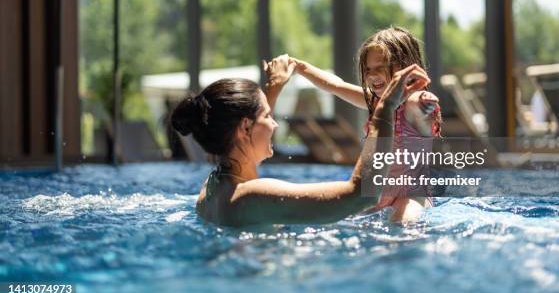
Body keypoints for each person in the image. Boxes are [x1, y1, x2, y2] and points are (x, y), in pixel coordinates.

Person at [171, 55, 431, 227]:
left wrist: (273, 87)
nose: (274, 123)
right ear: (245, 128)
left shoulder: (214, 186)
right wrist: (384, 110)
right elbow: (361, 197)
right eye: (267, 116)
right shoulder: (254, 197)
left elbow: (243, 144)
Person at [289, 27, 442, 222]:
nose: (371, 75)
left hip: (411, 194)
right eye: (368, 69)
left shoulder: (412, 102)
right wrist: (299, 67)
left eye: (381, 67)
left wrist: (424, 102)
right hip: (378, 192)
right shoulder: (375, 102)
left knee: (402, 222)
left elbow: (416, 105)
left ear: (406, 66)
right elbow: (335, 85)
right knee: (340, 219)